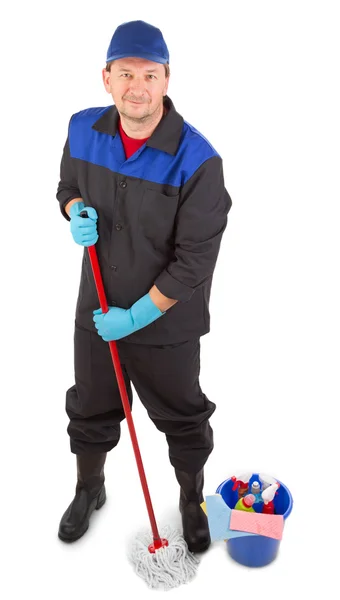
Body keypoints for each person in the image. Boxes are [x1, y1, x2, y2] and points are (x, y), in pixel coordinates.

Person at [56, 20, 232, 553]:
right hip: (98, 309)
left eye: (149, 75)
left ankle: (190, 498)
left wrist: (136, 317)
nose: (137, 87)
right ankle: (90, 487)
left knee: (183, 418)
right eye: (125, 73)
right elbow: (66, 185)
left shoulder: (198, 161)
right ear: (106, 78)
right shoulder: (82, 129)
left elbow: (194, 261)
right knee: (90, 407)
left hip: (168, 323)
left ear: (167, 79)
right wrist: (73, 210)